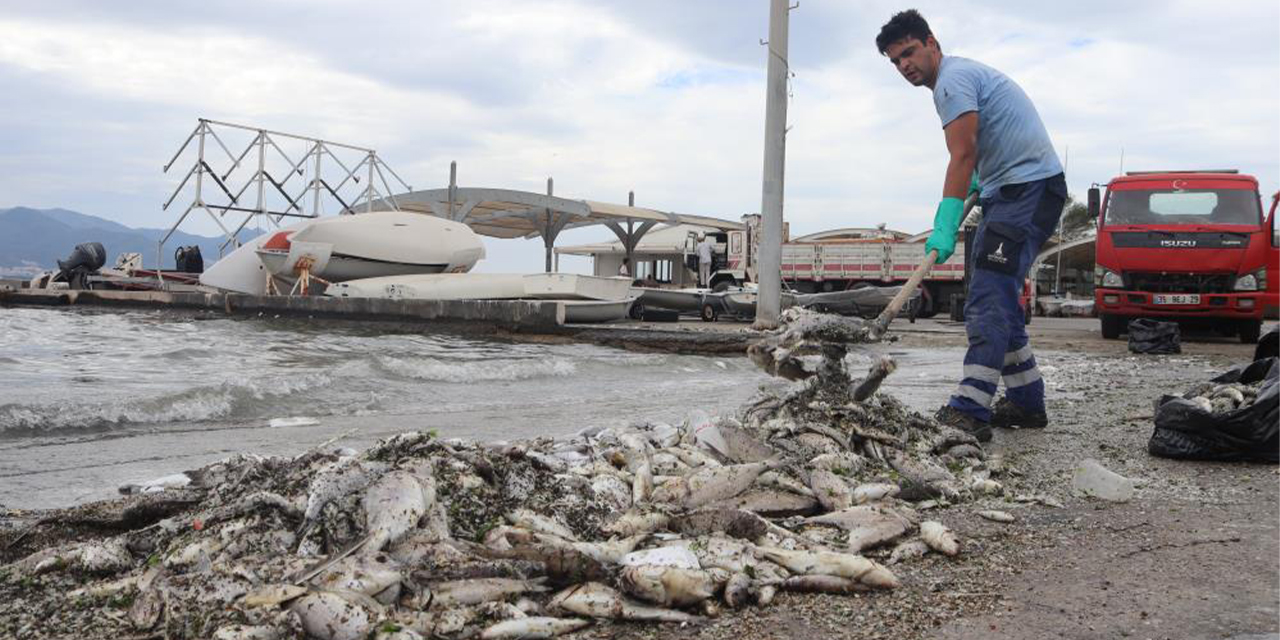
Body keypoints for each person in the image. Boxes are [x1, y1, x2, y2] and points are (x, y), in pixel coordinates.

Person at [876, 10, 1066, 442]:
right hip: (1008, 189)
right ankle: (1024, 400)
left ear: (931, 42)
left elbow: (961, 156)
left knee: (987, 297)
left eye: (909, 53)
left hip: (1028, 189)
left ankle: (971, 408)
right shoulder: (957, 79)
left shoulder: (951, 82)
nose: (905, 66)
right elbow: (978, 149)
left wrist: (944, 223)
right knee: (996, 294)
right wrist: (982, 176)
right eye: (895, 61)